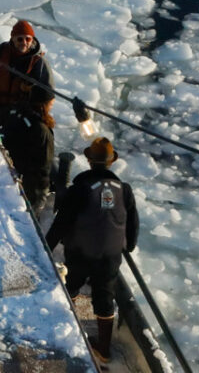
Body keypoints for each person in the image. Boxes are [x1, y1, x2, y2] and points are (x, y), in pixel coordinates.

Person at [45, 137, 139, 356]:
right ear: (111, 162)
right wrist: (130, 245)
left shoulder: (81, 187)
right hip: (110, 255)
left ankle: (70, 330)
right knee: (104, 297)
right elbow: (133, 222)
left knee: (73, 286)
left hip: (80, 252)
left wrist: (46, 247)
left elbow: (62, 221)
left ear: (89, 161)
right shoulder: (124, 189)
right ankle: (104, 349)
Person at [0, 18, 56, 208]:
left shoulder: (39, 64)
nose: (24, 43)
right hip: (1, 107)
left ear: (33, 40)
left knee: (42, 137)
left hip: (28, 111)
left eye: (27, 39)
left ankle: (38, 192)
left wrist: (29, 93)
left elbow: (47, 95)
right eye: (20, 39)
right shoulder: (0, 53)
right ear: (12, 39)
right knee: (6, 138)